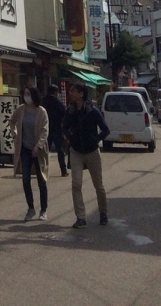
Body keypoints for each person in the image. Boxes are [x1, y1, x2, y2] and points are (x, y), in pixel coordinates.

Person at [62, 82, 110, 227]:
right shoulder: (70, 111)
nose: (71, 93)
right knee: (76, 184)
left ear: (81, 94)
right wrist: (70, 137)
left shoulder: (92, 111)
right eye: (71, 91)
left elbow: (105, 130)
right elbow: (64, 127)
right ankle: (81, 217)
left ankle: (103, 213)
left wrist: (95, 140)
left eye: (74, 91)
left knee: (98, 185)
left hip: (92, 152)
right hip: (76, 151)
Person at [11, 86, 49, 221]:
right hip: (24, 149)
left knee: (41, 180)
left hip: (38, 150)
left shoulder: (41, 111)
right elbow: (12, 121)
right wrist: (14, 132)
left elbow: (45, 131)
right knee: (25, 179)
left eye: (29, 93)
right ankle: (31, 208)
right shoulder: (21, 109)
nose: (26, 96)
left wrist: (38, 146)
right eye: (25, 93)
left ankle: (43, 209)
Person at [42, 81, 68, 176]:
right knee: (60, 150)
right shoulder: (58, 102)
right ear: (55, 92)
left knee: (45, 150)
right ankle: (63, 171)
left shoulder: (43, 101)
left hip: (45, 128)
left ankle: (42, 170)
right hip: (57, 128)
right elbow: (64, 115)